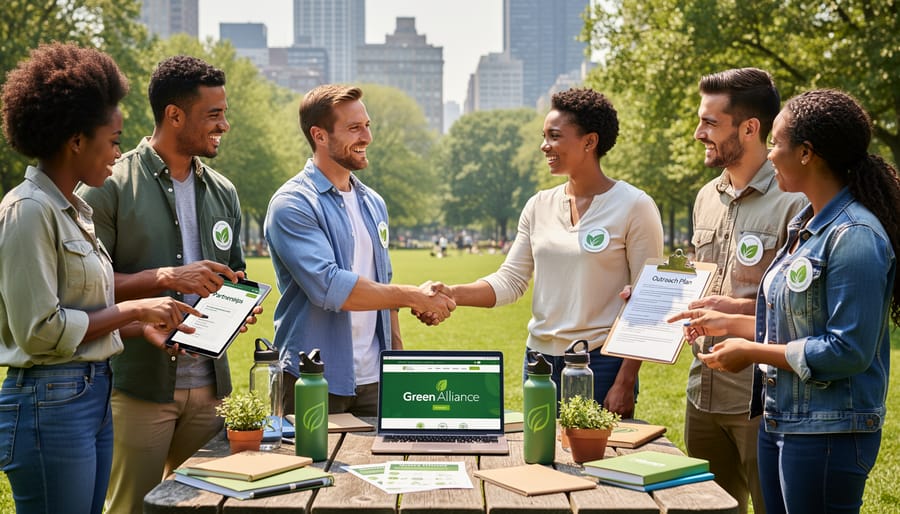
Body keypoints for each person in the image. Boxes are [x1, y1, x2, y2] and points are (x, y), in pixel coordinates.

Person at [670, 89, 899, 514]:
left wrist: (751, 351)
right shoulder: (805, 227)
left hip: (828, 430)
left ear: (807, 153)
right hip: (781, 420)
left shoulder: (855, 236)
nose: (770, 153)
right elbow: (791, 321)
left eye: (776, 143)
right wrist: (728, 320)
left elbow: (848, 350)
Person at [0, 43, 201, 514]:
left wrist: (139, 326)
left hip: (90, 392)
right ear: (76, 141)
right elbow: (41, 330)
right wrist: (134, 307)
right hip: (50, 401)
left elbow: (86, 315)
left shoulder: (75, 213)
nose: (117, 153)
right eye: (112, 141)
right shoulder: (28, 211)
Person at [421, 88, 664, 417]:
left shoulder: (635, 206)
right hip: (539, 363)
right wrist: (452, 293)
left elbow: (649, 299)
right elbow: (511, 280)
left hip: (601, 364)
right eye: (544, 136)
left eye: (555, 136)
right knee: (540, 446)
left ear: (590, 142)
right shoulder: (538, 205)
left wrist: (625, 380)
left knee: (595, 451)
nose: (544, 145)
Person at [78, 55, 252, 514]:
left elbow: (235, 273)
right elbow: (82, 287)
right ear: (174, 115)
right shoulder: (108, 183)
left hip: (212, 389)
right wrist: (166, 278)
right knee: (131, 507)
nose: (225, 125)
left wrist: (239, 304)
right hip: (137, 388)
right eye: (214, 114)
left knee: (209, 506)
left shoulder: (224, 191)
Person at [264, 84, 455, 417]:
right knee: (313, 454)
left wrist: (398, 360)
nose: (367, 137)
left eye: (367, 125)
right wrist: (414, 296)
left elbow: (382, 284)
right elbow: (329, 286)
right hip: (311, 377)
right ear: (319, 135)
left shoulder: (373, 203)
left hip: (376, 379)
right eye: (354, 128)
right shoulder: (292, 204)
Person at [684, 68, 806, 514]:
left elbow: (799, 308)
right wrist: (651, 296)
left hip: (761, 399)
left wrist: (732, 311)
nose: (698, 133)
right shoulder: (705, 197)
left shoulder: (795, 200)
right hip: (702, 394)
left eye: (710, 123)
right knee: (709, 508)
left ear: (750, 128)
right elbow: (703, 281)